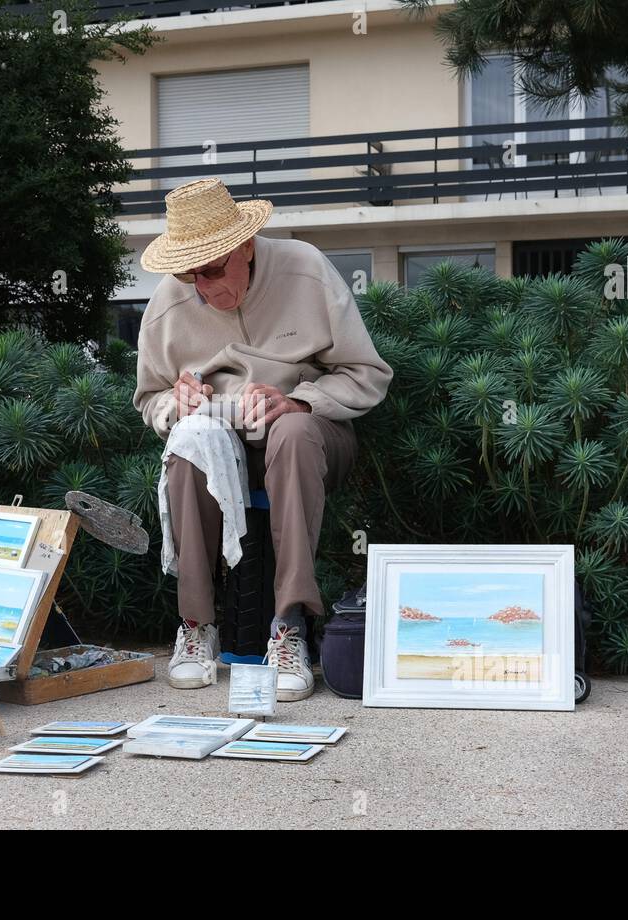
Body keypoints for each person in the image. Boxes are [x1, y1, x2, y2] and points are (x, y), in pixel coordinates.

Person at [133, 178, 392, 701]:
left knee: (292, 433)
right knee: (188, 445)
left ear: (246, 246)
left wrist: (302, 400)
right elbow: (149, 398)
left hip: (310, 433)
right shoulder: (169, 302)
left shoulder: (305, 268)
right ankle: (195, 625)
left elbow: (368, 374)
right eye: (189, 272)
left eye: (212, 268)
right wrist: (174, 405)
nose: (202, 285)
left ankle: (290, 625)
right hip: (220, 437)